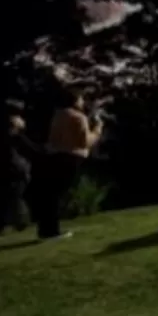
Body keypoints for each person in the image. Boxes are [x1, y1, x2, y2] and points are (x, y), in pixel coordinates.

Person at [32, 86, 103, 241]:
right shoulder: (78, 117)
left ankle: (46, 230)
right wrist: (97, 129)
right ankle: (52, 231)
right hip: (71, 157)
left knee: (51, 195)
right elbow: (85, 142)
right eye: (81, 99)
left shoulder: (58, 115)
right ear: (75, 100)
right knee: (57, 195)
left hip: (53, 157)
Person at [0, 101, 41, 235]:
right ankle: (19, 221)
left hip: (3, 165)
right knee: (15, 195)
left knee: (5, 197)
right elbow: (21, 141)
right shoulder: (11, 126)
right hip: (14, 166)